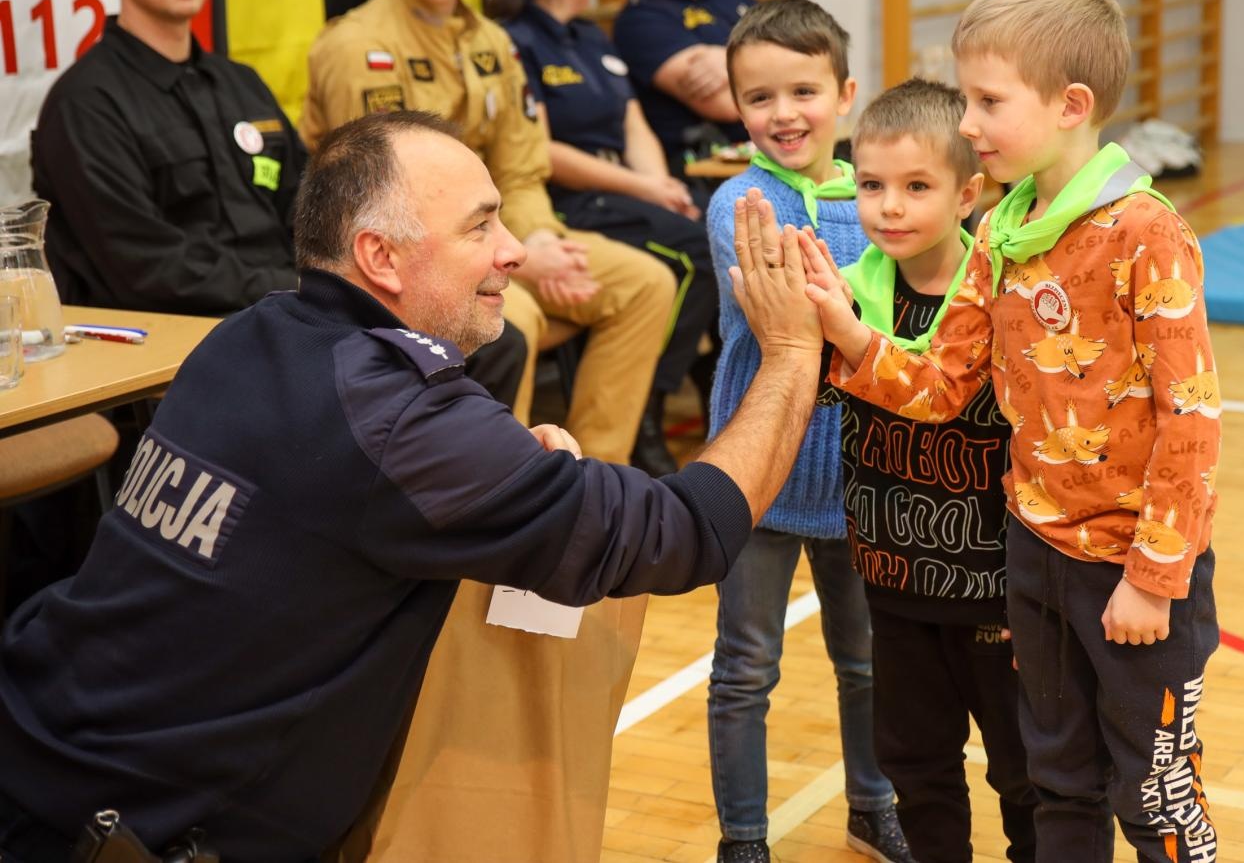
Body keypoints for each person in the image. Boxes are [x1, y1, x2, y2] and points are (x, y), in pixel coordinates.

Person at [0, 109, 829, 863]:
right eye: (480, 226)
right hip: (114, 833)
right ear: (380, 257)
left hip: (40, 733)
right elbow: (682, 533)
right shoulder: (399, 417)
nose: (511, 249)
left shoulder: (247, 333)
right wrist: (790, 356)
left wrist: (500, 469)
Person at [801, 0, 1222, 863]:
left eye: (988, 100)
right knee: (1059, 778)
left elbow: (1190, 420)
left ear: (1070, 105)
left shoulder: (1146, 232)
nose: (966, 122)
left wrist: (1154, 575)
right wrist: (841, 326)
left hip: (1133, 570)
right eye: (966, 97)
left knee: (1153, 792)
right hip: (1033, 555)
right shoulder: (1000, 229)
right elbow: (942, 386)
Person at [28, 0, 527, 409]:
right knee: (428, 362)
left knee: (491, 345)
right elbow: (145, 266)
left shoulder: (239, 83)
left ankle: (432, 490)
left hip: (293, 304)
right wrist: (298, 287)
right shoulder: (86, 104)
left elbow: (313, 206)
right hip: (192, 330)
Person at [302, 0, 678, 476]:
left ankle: (590, 483)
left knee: (645, 284)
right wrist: (514, 253)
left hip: (504, 233)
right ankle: (499, 492)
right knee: (514, 321)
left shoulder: (492, 41)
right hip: (412, 257)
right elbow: (376, 205)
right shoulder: (357, 46)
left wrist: (542, 243)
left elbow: (522, 169)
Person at [704, 0, 911, 863]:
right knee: (745, 671)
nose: (784, 113)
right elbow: (800, 312)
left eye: (803, 90)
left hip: (860, 477)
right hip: (758, 472)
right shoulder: (738, 205)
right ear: (736, 108)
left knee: (867, 667)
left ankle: (874, 807)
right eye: (760, 98)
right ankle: (743, 839)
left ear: (845, 92)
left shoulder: (881, 196)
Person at [820, 78, 1037, 863]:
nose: (891, 207)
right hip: (894, 582)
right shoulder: (851, 294)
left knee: (1026, 775)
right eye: (872, 185)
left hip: (998, 593)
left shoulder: (1004, 294)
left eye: (917, 186)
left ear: (968, 192)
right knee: (917, 767)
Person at [489, 0, 719, 443]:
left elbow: (633, 121)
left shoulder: (592, 36)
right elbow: (540, 150)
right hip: (572, 197)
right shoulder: (516, 41)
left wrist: (666, 190)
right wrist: (644, 190)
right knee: (696, 253)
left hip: (626, 191)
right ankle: (648, 412)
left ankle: (682, 396)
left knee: (713, 228)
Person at [611, 0, 754, 184]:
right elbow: (727, 105)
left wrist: (728, 57)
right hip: (708, 174)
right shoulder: (640, 20)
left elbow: (807, 58)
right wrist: (766, 59)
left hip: (772, 158)